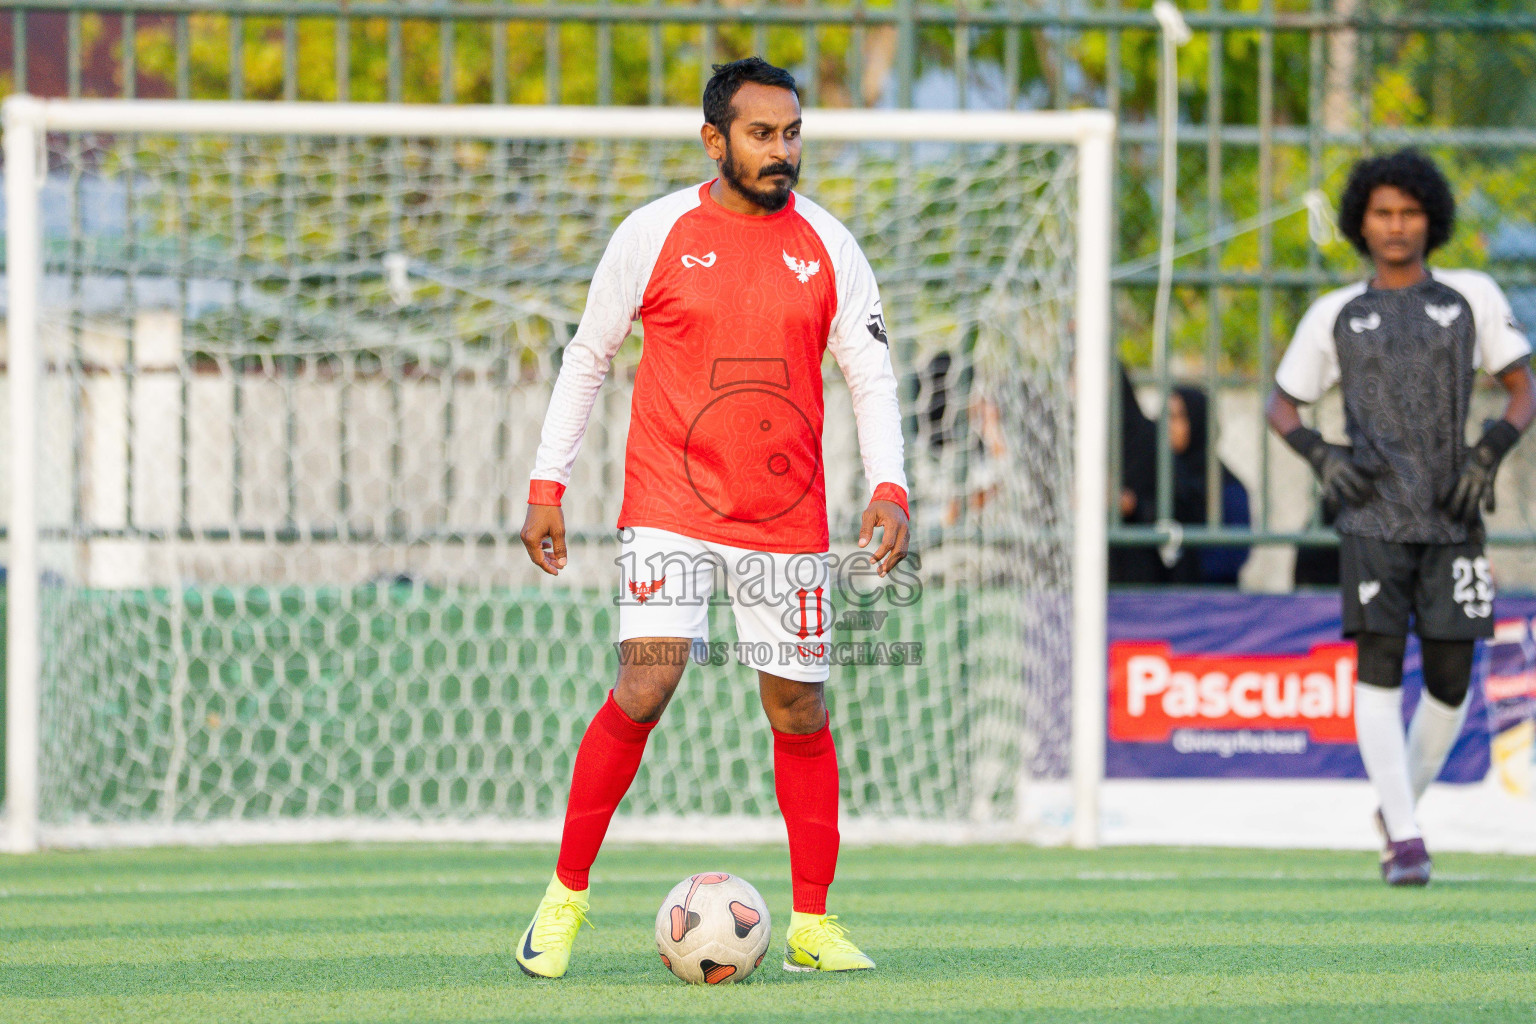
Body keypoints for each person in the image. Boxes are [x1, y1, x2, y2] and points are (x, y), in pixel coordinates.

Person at [515, 57, 909, 978]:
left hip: (785, 515)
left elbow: (872, 375)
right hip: (668, 503)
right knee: (647, 683)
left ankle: (812, 925)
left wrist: (890, 485)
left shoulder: (830, 246)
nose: (783, 152)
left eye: (793, 134)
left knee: (798, 709)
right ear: (715, 139)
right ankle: (563, 900)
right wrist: (547, 483)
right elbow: (588, 355)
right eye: (763, 135)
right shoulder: (652, 233)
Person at [1266, 149, 1535, 885]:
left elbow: (1522, 388)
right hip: (1372, 520)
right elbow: (1280, 404)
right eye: (1383, 213)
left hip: (1454, 518)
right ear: (1361, 222)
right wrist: (1322, 455)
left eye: (1410, 213)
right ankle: (1409, 840)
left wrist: (1488, 455)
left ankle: (1398, 812)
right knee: (1378, 666)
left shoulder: (1471, 296)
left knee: (1452, 678)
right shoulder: (1337, 313)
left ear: (1431, 220)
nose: (1396, 225)